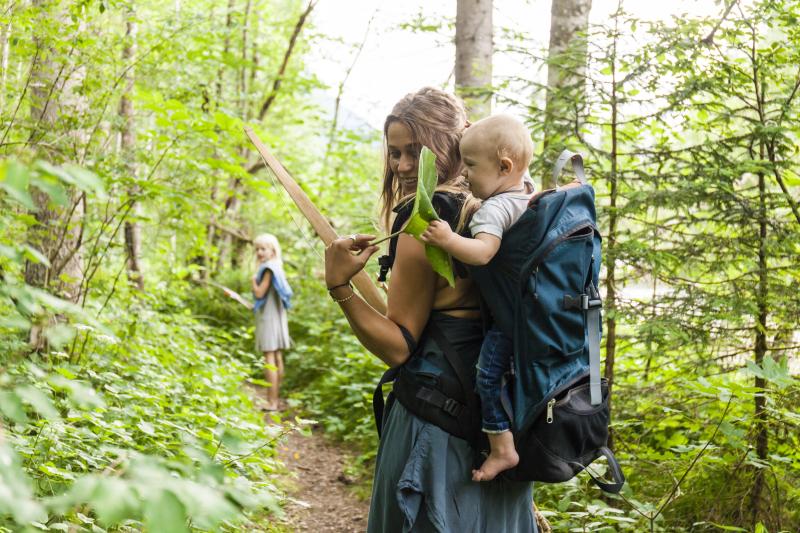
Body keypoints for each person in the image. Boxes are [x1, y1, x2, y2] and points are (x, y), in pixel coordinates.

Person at [324, 88, 536, 532]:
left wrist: (340, 284)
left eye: (414, 152)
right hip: (499, 429)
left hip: (435, 433)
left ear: (448, 146)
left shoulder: (427, 220)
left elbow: (398, 345)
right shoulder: (497, 210)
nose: (401, 166)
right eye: (394, 153)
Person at [420, 114, 535, 482]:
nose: (465, 174)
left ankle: (503, 449)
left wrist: (447, 240)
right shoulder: (529, 193)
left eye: (470, 165)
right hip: (534, 313)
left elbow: (483, 252)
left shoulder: (495, 209)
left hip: (509, 318)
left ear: (504, 166)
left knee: (486, 377)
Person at [252, 233, 293, 411]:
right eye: (257, 249)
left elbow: (260, 293)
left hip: (269, 318)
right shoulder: (277, 266)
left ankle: (272, 402)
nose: (260, 252)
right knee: (276, 356)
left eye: (263, 249)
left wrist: (253, 281)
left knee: (269, 357)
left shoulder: (268, 269)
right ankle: (276, 398)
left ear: (272, 250)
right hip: (278, 316)